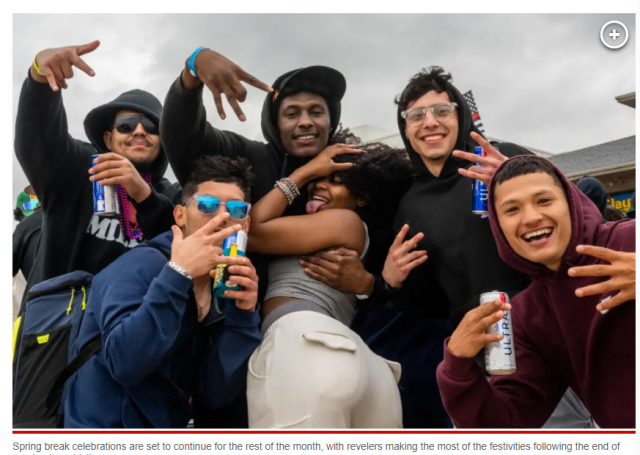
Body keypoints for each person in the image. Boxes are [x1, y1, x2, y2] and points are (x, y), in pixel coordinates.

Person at [299, 67, 540, 427]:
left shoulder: (499, 158)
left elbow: (573, 219)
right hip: (477, 353)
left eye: (441, 111)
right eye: (416, 115)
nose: (430, 123)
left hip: (543, 335)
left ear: (459, 114)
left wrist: (522, 179)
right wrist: (391, 281)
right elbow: (428, 303)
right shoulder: (411, 204)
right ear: (406, 128)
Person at [436, 155, 635, 428]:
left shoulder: (629, 239)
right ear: (498, 225)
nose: (531, 218)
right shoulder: (527, 315)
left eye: (544, 201)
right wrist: (457, 364)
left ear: (570, 203)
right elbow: (506, 424)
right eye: (512, 209)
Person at [64, 156, 262, 428]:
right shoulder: (138, 266)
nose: (222, 217)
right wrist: (178, 274)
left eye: (237, 210)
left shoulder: (224, 289)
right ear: (180, 215)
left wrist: (244, 316)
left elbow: (215, 394)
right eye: (207, 205)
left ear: (246, 224)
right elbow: (125, 365)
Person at [160, 48, 353, 300]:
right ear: (274, 125)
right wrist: (192, 70)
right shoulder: (247, 157)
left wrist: (370, 286)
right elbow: (183, 137)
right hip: (228, 312)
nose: (305, 122)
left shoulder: (349, 172)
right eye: (292, 114)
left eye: (316, 112)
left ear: (331, 121)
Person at [245, 141, 414, 428]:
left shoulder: (345, 221)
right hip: (358, 363)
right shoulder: (334, 229)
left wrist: (304, 172)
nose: (319, 186)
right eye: (317, 179)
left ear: (361, 197)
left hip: (306, 343)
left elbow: (250, 231)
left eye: (335, 182)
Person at [14, 41, 181, 311]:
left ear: (162, 141)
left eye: (150, 126)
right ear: (108, 137)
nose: (139, 131)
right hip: (56, 335)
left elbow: (184, 243)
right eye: (126, 125)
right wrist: (39, 80)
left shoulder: (171, 196)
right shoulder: (78, 168)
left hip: (130, 335)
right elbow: (38, 139)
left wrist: (144, 195)